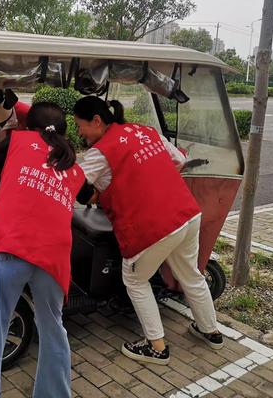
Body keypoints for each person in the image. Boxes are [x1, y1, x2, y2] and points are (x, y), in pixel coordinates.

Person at [73, 96, 223, 366]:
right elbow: (179, 160)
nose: (79, 132)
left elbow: (77, 186)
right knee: (190, 274)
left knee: (135, 281)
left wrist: (98, 195)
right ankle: (210, 330)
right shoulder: (145, 131)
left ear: (97, 121)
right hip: (186, 215)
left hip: (153, 227)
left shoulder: (101, 152)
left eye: (79, 125)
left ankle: (157, 347)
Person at [0, 102, 87, 398]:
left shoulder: (16, 141)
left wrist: (5, 198)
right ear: (64, 130)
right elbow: (88, 195)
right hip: (53, 255)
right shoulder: (73, 163)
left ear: (28, 126)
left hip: (6, 244)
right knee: (53, 329)